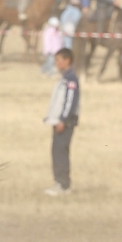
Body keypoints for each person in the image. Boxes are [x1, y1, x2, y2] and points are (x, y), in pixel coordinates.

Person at [44, 47, 79, 195]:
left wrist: (63, 120)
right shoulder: (64, 77)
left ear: (67, 60)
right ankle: (59, 182)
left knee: (60, 153)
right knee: (56, 152)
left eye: (59, 60)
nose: (57, 63)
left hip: (65, 124)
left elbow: (70, 102)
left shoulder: (71, 79)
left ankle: (63, 185)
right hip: (57, 122)